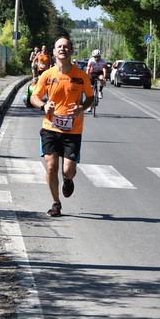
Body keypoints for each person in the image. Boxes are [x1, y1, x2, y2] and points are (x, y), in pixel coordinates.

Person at [30, 36, 94, 217]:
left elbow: (90, 98)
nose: (62, 49)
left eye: (66, 47)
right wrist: (43, 106)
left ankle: (68, 180)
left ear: (71, 51)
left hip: (73, 131)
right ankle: (55, 203)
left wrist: (81, 107)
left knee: (68, 170)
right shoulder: (47, 75)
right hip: (50, 127)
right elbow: (34, 97)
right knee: (51, 167)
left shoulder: (81, 76)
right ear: (54, 51)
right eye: (59, 46)